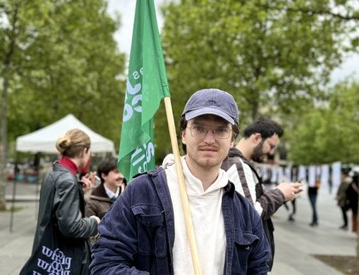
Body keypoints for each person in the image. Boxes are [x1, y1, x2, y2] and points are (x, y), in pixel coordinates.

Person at [91, 88, 271, 274]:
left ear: (232, 139)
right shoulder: (142, 192)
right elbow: (105, 263)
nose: (209, 139)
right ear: (183, 134)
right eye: (199, 128)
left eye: (221, 130)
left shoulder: (244, 212)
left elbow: (258, 269)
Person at [220, 118, 302, 270]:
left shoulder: (236, 163)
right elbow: (250, 214)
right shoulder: (238, 166)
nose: (271, 152)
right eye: (270, 146)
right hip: (246, 262)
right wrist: (280, 194)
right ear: (257, 137)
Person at [21, 129, 100, 275]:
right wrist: (94, 223)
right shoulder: (68, 180)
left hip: (47, 251)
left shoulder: (53, 172)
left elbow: (54, 209)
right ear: (84, 151)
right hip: (63, 258)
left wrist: (79, 193)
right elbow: (71, 227)